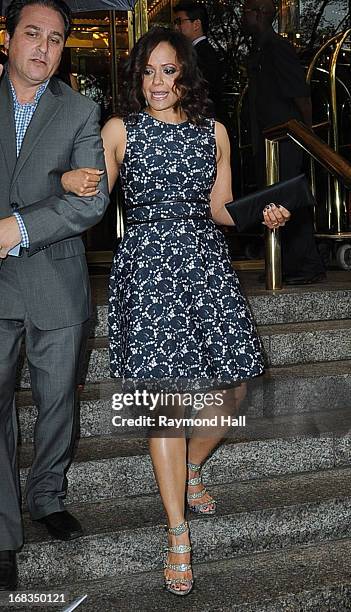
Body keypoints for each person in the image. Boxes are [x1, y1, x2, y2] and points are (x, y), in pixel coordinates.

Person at [62, 27, 289, 596]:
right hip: (147, 270)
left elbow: (221, 210)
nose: (157, 83)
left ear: (186, 74)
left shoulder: (212, 133)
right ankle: (178, 535)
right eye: (147, 72)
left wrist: (264, 216)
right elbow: (93, 205)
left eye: (168, 70)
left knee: (235, 389)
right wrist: (64, 179)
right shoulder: (119, 130)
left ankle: (189, 470)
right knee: (164, 405)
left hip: (205, 267)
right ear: (136, 79)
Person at [0, 0, 109, 591]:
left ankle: (47, 496)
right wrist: (53, 182)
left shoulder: (82, 110)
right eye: (32, 34)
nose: (44, 47)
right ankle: (2, 528)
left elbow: (90, 201)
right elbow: (58, 188)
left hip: (58, 283)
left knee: (56, 402)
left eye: (57, 38)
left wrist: (17, 224)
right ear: (9, 37)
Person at [242, 0, 326, 284]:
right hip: (268, 140)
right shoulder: (261, 48)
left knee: (291, 202)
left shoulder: (277, 47)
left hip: (287, 138)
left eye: (246, 10)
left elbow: (300, 93)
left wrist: (308, 133)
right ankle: (285, 264)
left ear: (261, 14)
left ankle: (305, 266)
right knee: (275, 202)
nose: (243, 15)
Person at [173, 1, 226, 123]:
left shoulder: (203, 54)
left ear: (196, 24)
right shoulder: (196, 51)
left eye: (179, 22)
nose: (176, 27)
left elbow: (200, 91)